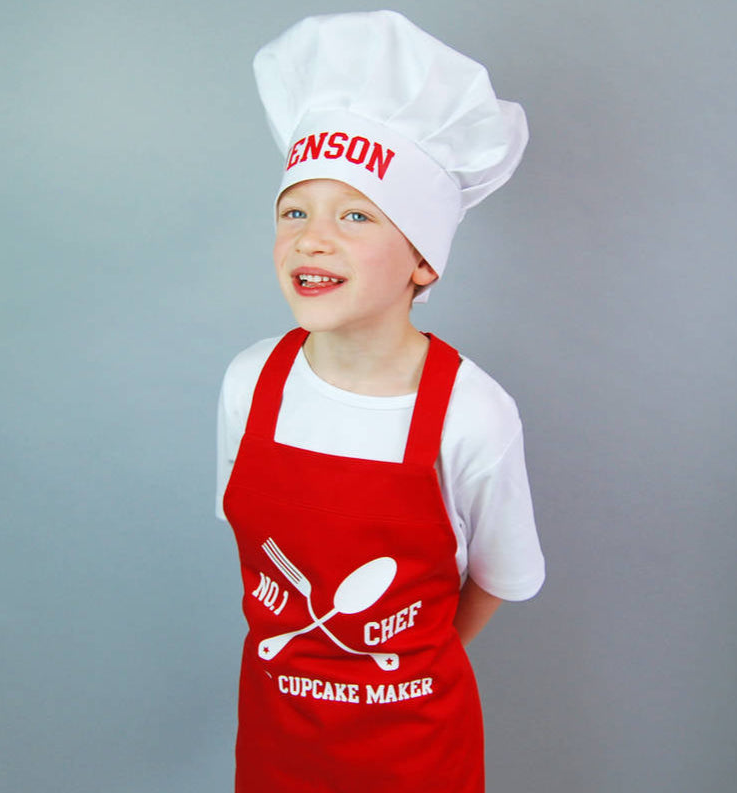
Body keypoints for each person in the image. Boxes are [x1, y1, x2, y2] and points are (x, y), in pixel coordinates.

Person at [215, 11, 545, 792]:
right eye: (293, 211)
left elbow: (498, 575)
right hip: (277, 747)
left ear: (423, 261)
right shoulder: (248, 383)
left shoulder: (472, 413)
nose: (311, 238)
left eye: (354, 215)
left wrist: (397, 658)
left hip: (414, 756)